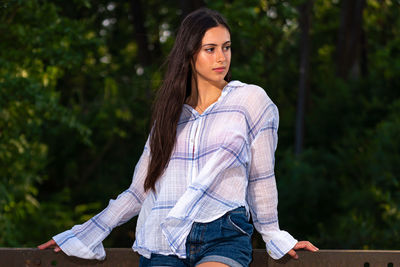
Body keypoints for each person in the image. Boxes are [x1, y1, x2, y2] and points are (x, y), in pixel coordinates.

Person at [38, 8, 318, 267]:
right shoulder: (170, 117)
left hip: (222, 232)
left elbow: (261, 177)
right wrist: (83, 234)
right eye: (210, 49)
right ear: (190, 53)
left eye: (226, 47)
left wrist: (273, 235)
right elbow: (140, 190)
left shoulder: (251, 101)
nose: (222, 57)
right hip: (162, 237)